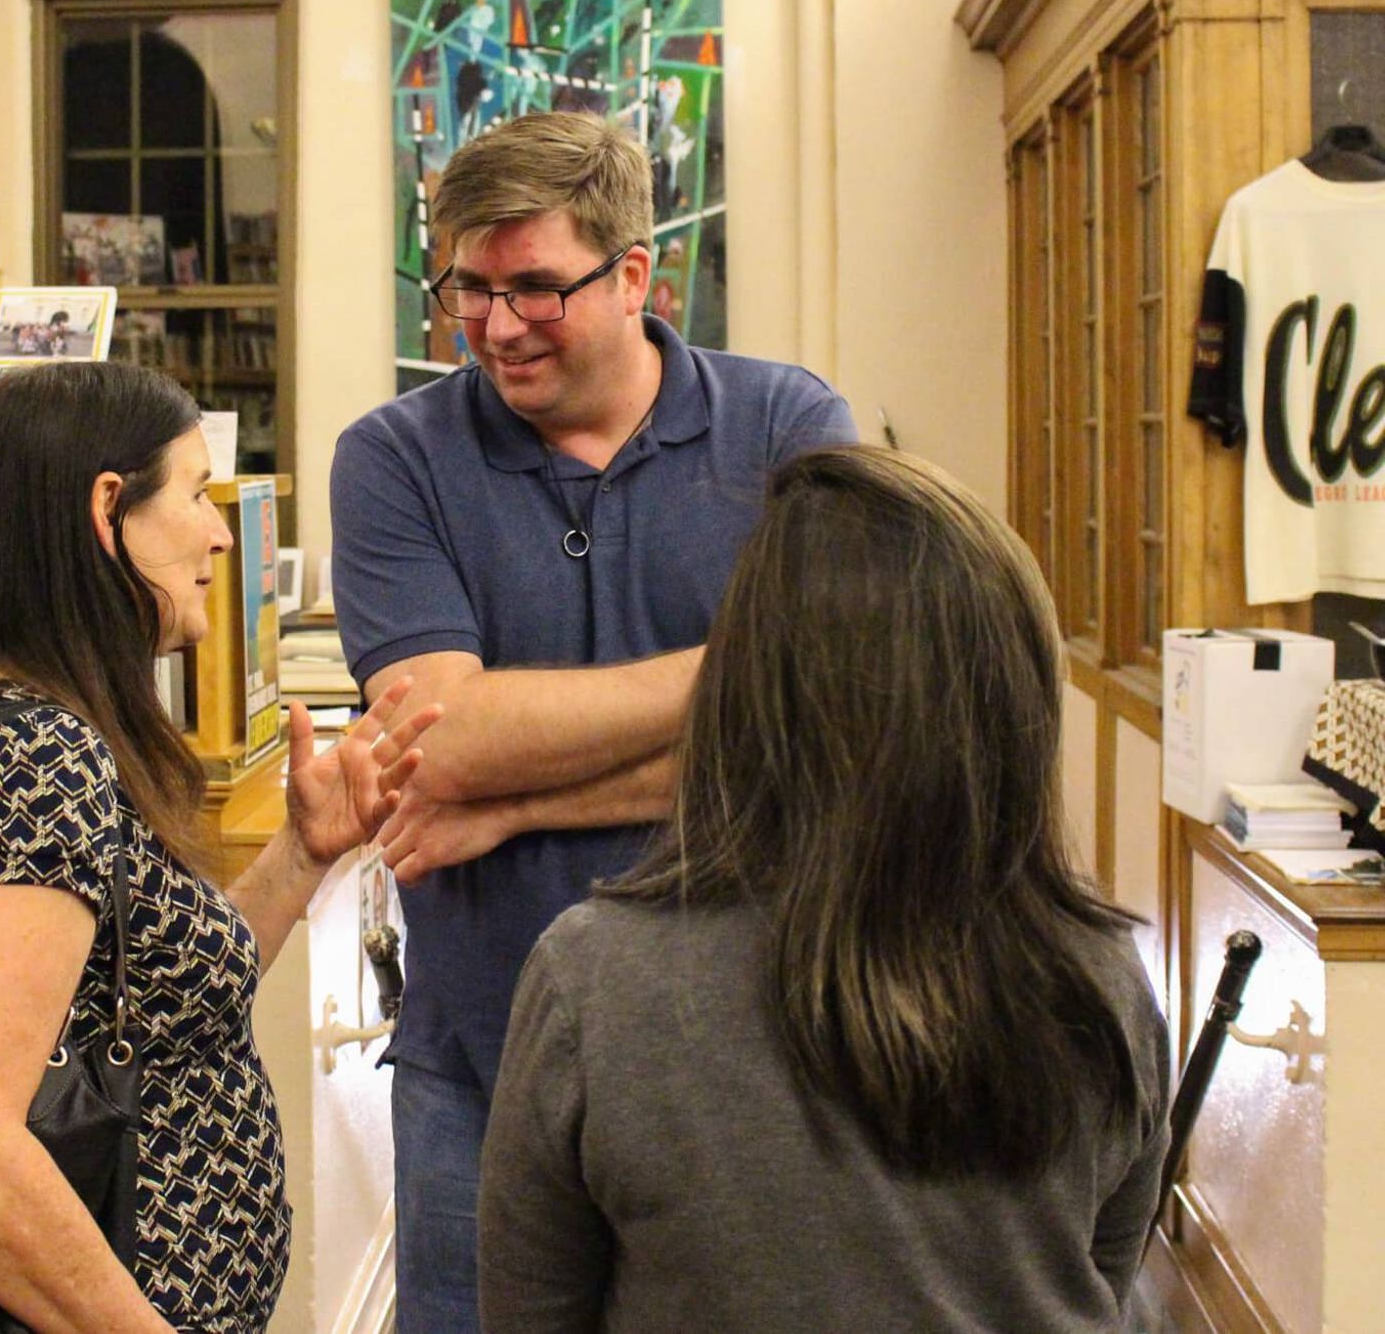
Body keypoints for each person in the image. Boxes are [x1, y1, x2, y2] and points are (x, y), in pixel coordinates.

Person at [329, 110, 856, 1328]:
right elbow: (438, 740)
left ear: (632, 276)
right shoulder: (392, 458)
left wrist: (518, 798)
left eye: (533, 287)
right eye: (467, 284)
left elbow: (837, 737)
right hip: (479, 1062)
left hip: (761, 1057)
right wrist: (751, 666)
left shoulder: (786, 428)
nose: (495, 323)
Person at [479, 446, 1172, 1331]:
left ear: (741, 691)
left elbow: (528, 1312)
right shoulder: (1102, 973)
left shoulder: (596, 981)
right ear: (1013, 705)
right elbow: (1102, 1281)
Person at [0, 362, 441, 1332]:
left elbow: (161, 1003)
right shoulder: (29, 755)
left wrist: (302, 849)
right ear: (107, 508)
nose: (219, 533)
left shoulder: (35, 732)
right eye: (198, 492)